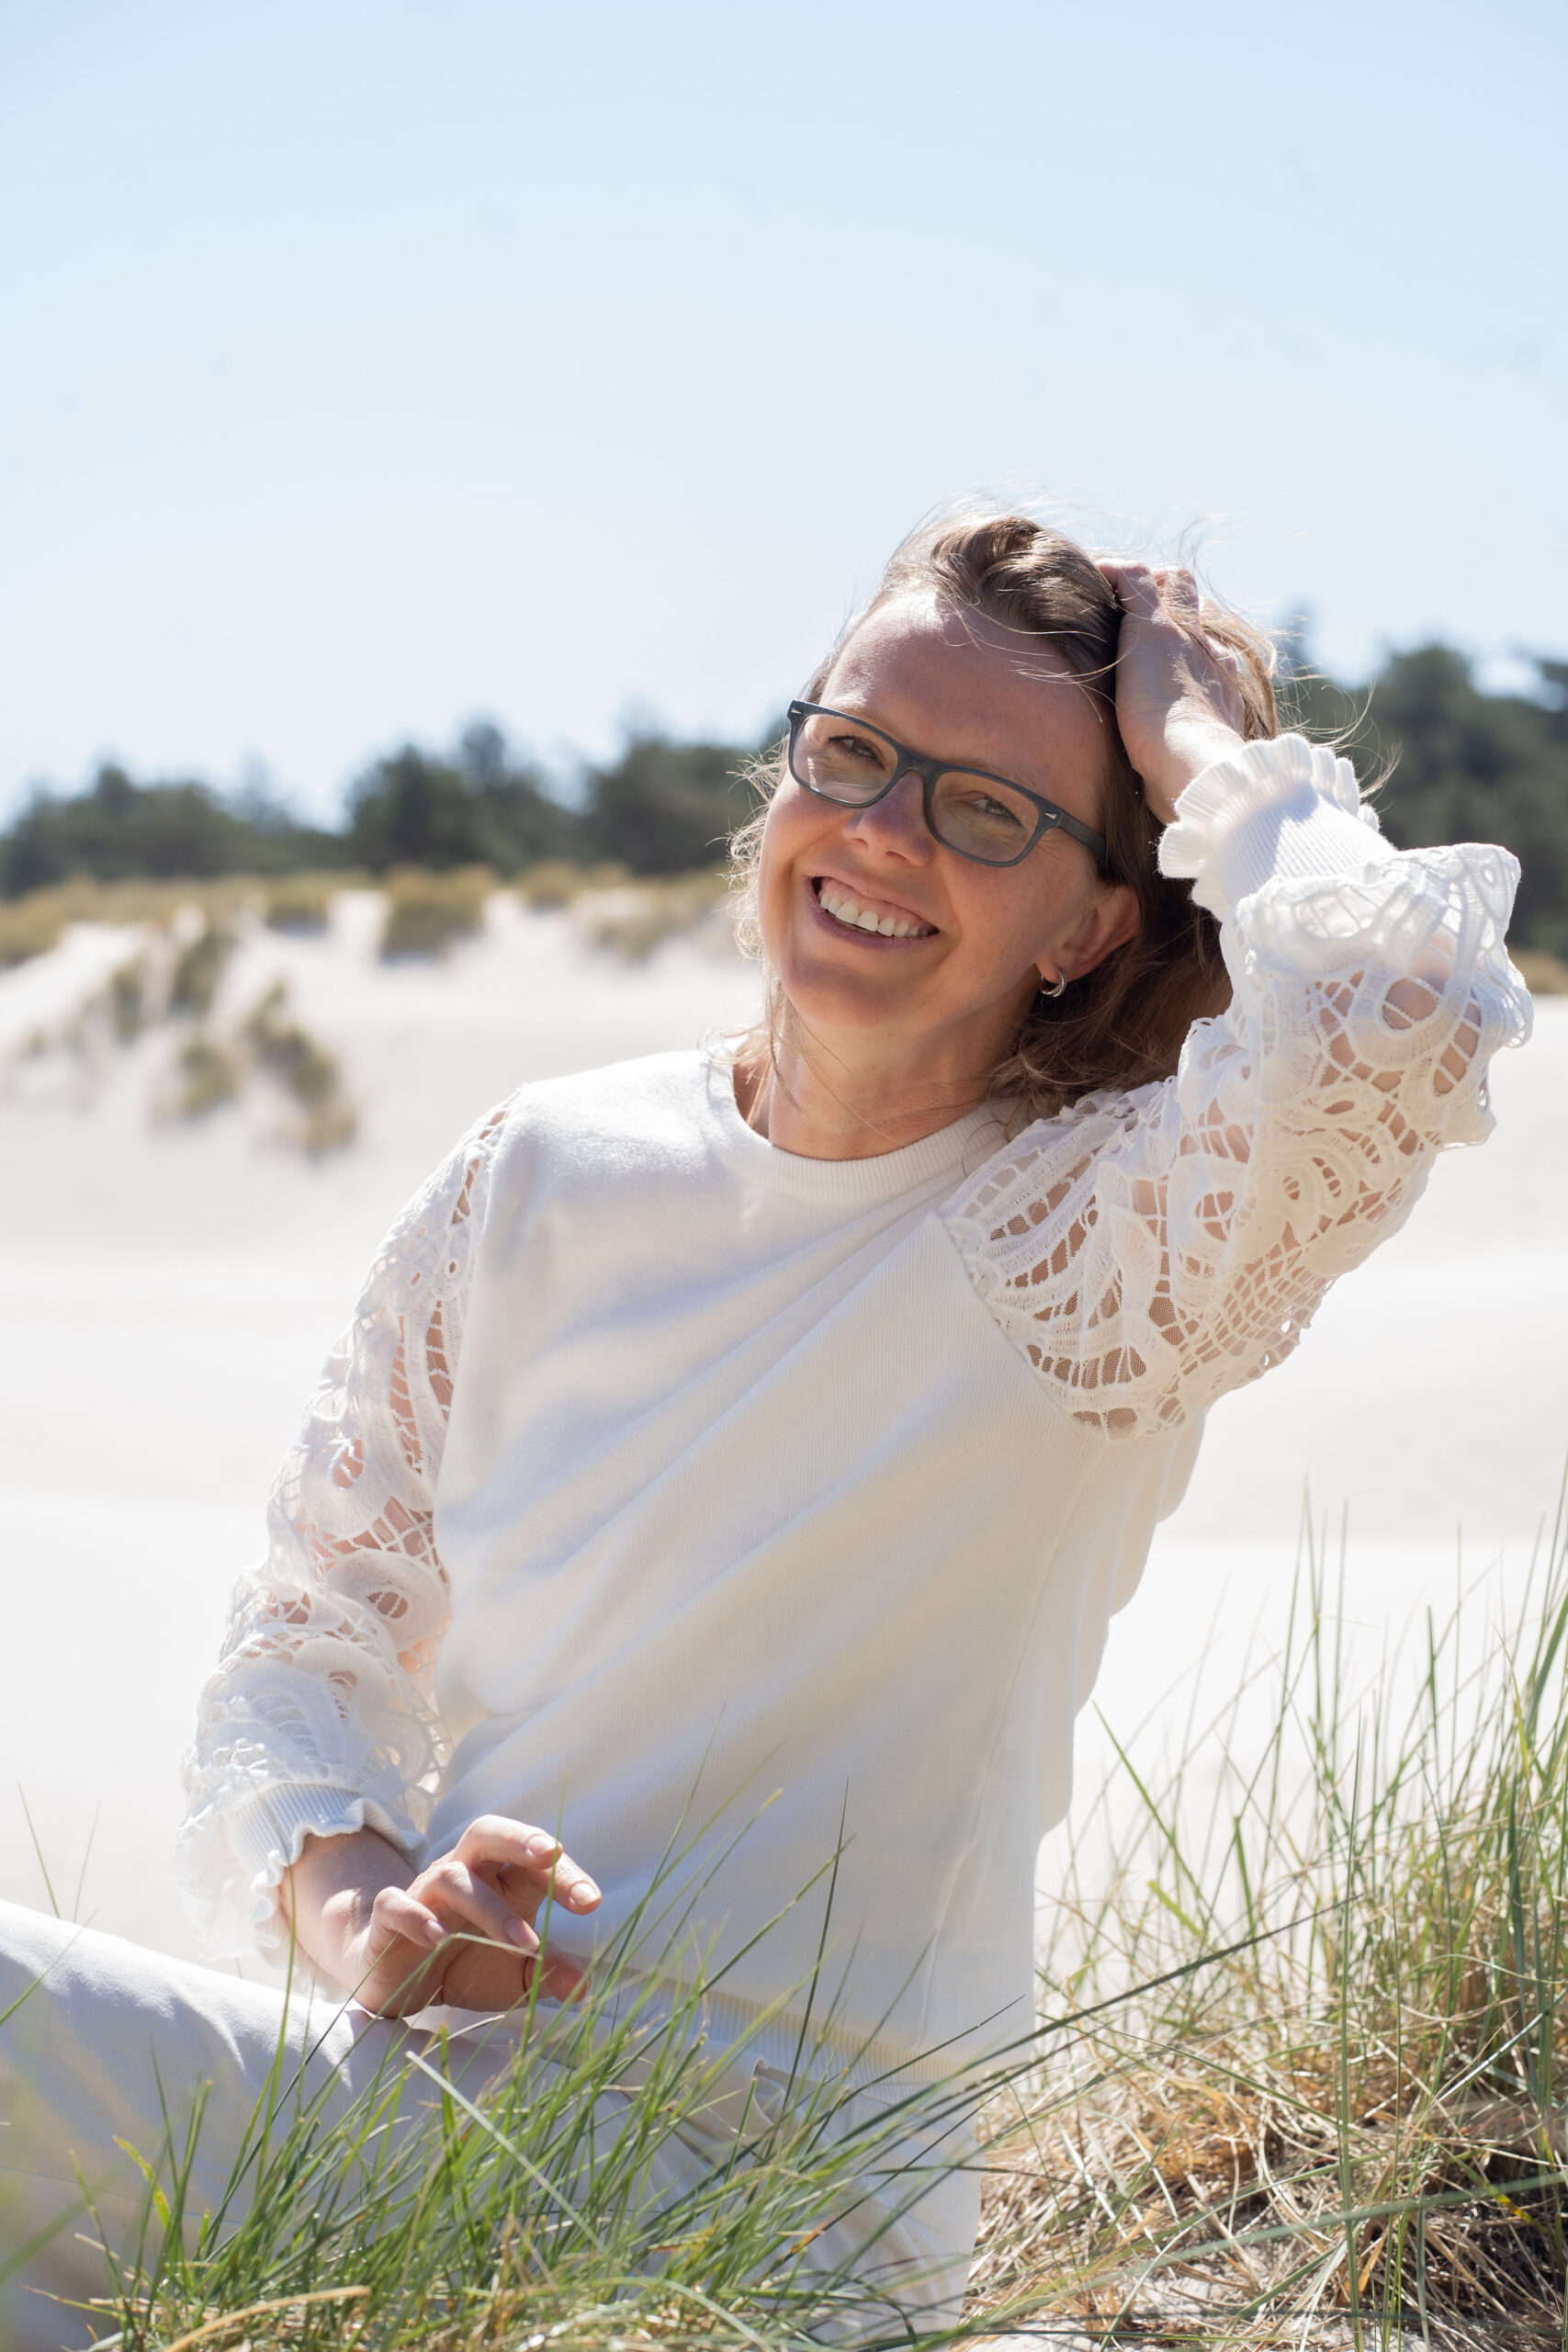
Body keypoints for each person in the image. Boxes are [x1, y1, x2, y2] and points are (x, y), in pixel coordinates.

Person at [0, 511, 1531, 2346]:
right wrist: (371, 1917)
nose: (880, 830)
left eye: (984, 811)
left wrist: (1203, 743)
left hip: (781, 2231)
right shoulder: (537, 1166)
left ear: (1091, 925)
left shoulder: (1103, 1248)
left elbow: (1401, 1008)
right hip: (390, 2114)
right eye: (854, 752)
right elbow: (303, 1652)